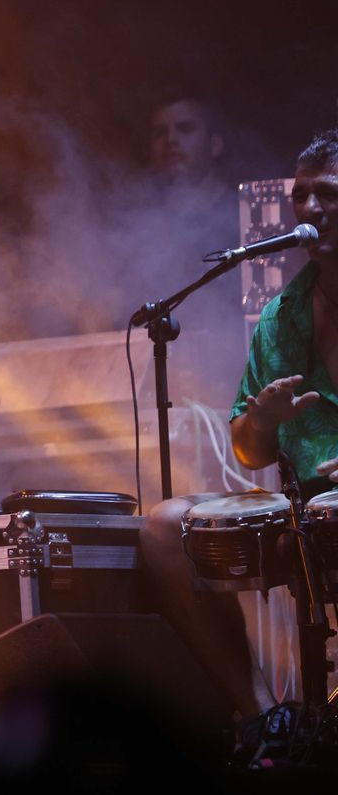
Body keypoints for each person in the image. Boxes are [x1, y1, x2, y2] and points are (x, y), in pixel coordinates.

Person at [140, 127, 338, 760]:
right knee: (165, 528)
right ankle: (262, 722)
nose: (310, 208)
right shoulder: (281, 316)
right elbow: (249, 453)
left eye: (327, 194)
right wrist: (263, 420)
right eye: (301, 195)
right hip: (306, 514)